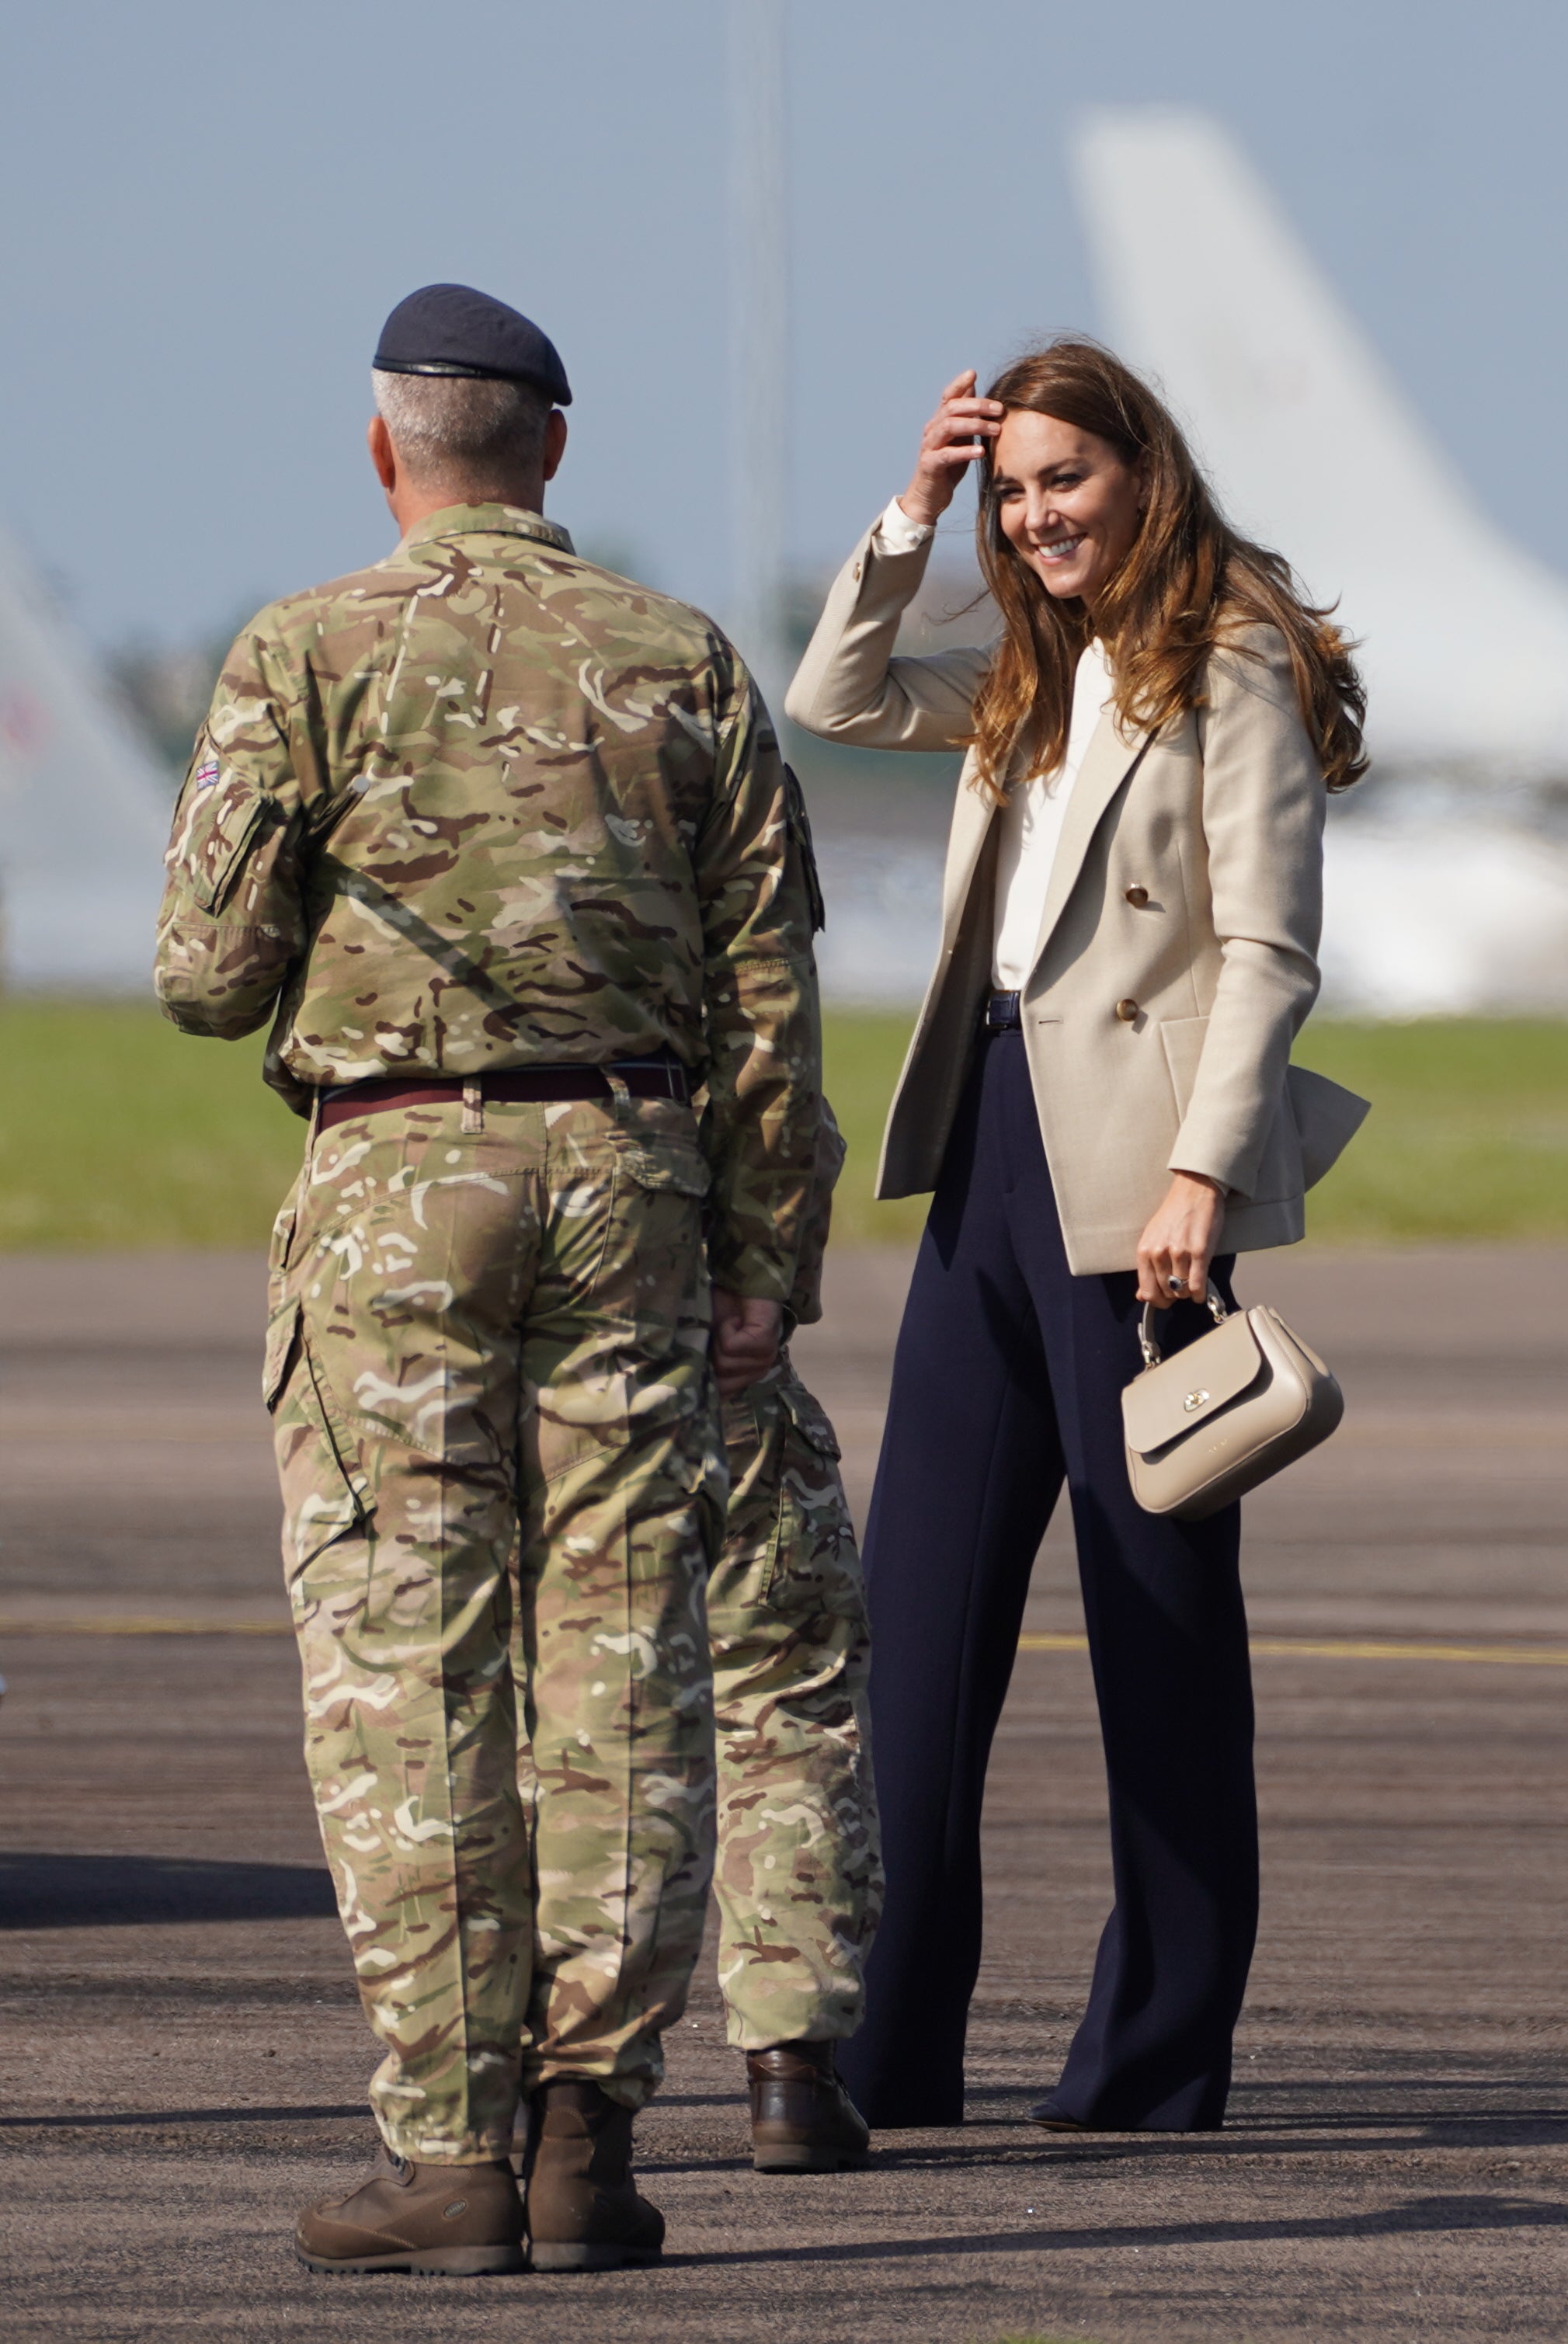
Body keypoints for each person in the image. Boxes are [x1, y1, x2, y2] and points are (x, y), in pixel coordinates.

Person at [155, 283, 822, 2273]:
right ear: (552, 452)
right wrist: (764, 1251)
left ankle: (442, 2148)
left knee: (408, 1656)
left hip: (395, 1185)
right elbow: (769, 986)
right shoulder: (676, 654)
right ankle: (584, 2141)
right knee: (622, 1656)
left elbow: (202, 978)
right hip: (629, 1176)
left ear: (388, 453)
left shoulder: (306, 650)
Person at [785, 340, 1370, 2135]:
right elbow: (831, 690)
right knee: (914, 1617)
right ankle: (884, 2047)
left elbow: (1266, 945)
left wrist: (1202, 1173)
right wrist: (915, 508)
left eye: (1065, 479)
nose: (1038, 515)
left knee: (1158, 1632)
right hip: (984, 1154)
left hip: (1140, 1192)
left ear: (1143, 473)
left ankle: (1151, 2060)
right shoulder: (1020, 675)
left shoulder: (1232, 660)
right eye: (1015, 486)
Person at [707, 1097, 880, 2172]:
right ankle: (790, 2072)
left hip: (473, 1325)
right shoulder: (717, 913)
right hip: (704, 1313)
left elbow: (211, 977)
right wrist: (767, 1273)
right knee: (780, 1705)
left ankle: (541, 2101)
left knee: (525, 1711)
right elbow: (781, 1082)